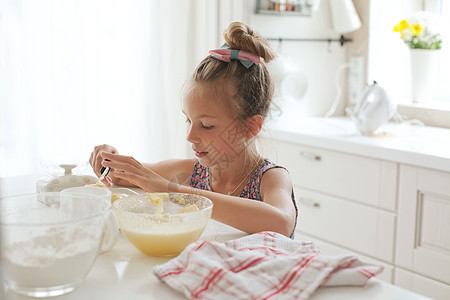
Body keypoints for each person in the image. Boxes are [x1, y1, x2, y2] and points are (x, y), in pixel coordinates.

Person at [89, 22, 298, 238]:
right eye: (189, 121)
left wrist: (172, 190)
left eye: (206, 125)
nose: (190, 137)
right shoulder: (192, 172)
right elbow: (124, 177)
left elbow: (280, 222)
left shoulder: (270, 178)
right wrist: (107, 159)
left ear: (250, 127)